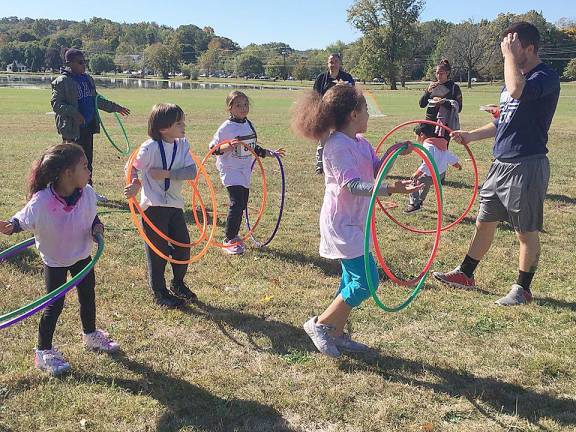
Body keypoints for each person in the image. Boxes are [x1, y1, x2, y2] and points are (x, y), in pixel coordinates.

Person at [433, 22, 560, 306]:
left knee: (524, 231)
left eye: (513, 47)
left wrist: (509, 58)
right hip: (500, 164)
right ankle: (466, 274)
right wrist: (471, 136)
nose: (507, 52)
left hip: (526, 164)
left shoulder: (545, 76)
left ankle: (522, 289)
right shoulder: (514, 75)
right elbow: (502, 120)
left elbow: (517, 91)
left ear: (528, 48)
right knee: (484, 221)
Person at [291, 84, 422, 357]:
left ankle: (337, 333)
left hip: (356, 221)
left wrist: (394, 152)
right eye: (366, 110)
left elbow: (374, 168)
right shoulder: (336, 146)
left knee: (352, 278)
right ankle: (321, 325)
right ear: (353, 114)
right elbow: (351, 184)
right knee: (368, 282)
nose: (368, 115)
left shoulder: (360, 143)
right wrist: (390, 189)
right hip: (341, 224)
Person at [0, 143, 119, 376]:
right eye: (84, 166)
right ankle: (43, 351)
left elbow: (92, 216)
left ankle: (90, 334)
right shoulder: (42, 201)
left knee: (88, 295)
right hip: (55, 260)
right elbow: (21, 221)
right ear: (67, 173)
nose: (89, 170)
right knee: (54, 305)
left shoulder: (88, 193)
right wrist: (10, 226)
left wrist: (97, 226)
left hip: (81, 255)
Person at [124, 103, 199, 307]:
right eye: (179, 123)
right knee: (158, 251)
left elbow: (192, 172)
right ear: (164, 128)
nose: (184, 126)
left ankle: (178, 283)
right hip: (153, 207)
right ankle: (159, 291)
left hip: (174, 205)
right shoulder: (150, 148)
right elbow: (132, 167)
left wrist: (168, 174)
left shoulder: (182, 144)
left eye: (183, 122)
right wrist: (135, 183)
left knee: (183, 247)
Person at [208, 91, 285, 255]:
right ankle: (229, 239)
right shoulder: (226, 127)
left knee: (242, 204)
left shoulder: (248, 124)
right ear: (230, 108)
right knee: (236, 204)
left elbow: (253, 147)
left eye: (245, 104)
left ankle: (234, 236)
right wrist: (227, 146)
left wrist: (270, 153)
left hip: (244, 170)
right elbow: (213, 149)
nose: (243, 108)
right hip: (230, 170)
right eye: (238, 105)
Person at [51, 48, 130, 202]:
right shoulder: (62, 82)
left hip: (87, 128)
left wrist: (115, 108)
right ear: (69, 64)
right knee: (71, 163)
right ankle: (67, 192)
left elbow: (96, 100)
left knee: (87, 162)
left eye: (84, 62)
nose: (84, 65)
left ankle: (89, 192)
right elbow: (56, 104)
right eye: (80, 62)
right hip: (72, 130)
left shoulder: (87, 79)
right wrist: (75, 113)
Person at [405, 123, 462, 214]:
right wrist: (457, 165)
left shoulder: (428, 145)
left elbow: (428, 162)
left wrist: (417, 173)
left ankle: (414, 204)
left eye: (416, 136)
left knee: (413, 181)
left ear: (422, 135)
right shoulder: (439, 144)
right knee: (425, 183)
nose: (416, 139)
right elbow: (448, 156)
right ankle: (420, 200)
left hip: (432, 174)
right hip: (440, 175)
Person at [313, 53, 355, 175]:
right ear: (327, 63)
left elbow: (353, 94)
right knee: (323, 141)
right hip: (325, 114)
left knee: (344, 140)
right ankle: (320, 165)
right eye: (331, 62)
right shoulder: (321, 78)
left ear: (340, 63)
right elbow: (315, 96)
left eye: (335, 61)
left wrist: (344, 87)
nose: (333, 64)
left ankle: (345, 164)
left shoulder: (347, 77)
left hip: (342, 114)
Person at [418, 59, 462, 140]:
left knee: (441, 150)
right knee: (428, 149)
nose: (438, 76)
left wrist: (443, 102)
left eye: (441, 73)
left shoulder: (454, 87)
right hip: (429, 122)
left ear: (447, 73)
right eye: (437, 73)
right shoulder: (432, 86)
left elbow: (458, 108)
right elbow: (421, 104)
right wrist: (428, 92)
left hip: (444, 125)